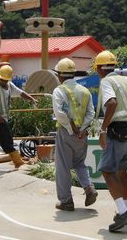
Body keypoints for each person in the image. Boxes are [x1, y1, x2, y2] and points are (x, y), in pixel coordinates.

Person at [95, 50, 127, 232]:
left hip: (118, 131)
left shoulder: (107, 81)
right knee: (122, 172)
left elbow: (112, 103)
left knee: (107, 171)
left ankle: (123, 212)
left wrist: (103, 129)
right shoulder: (126, 80)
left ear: (99, 68)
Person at [51, 58, 98, 212]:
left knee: (63, 167)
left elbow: (60, 114)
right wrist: (83, 129)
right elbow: (91, 112)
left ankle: (66, 201)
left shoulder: (59, 91)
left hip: (66, 132)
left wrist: (72, 129)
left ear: (60, 75)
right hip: (82, 135)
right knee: (79, 163)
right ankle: (89, 188)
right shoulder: (85, 91)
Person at [0, 63, 36, 171]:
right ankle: (18, 162)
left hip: (2, 118)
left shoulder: (10, 85)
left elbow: (20, 93)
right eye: (2, 79)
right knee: (8, 141)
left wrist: (31, 98)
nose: (4, 81)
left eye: (6, 80)